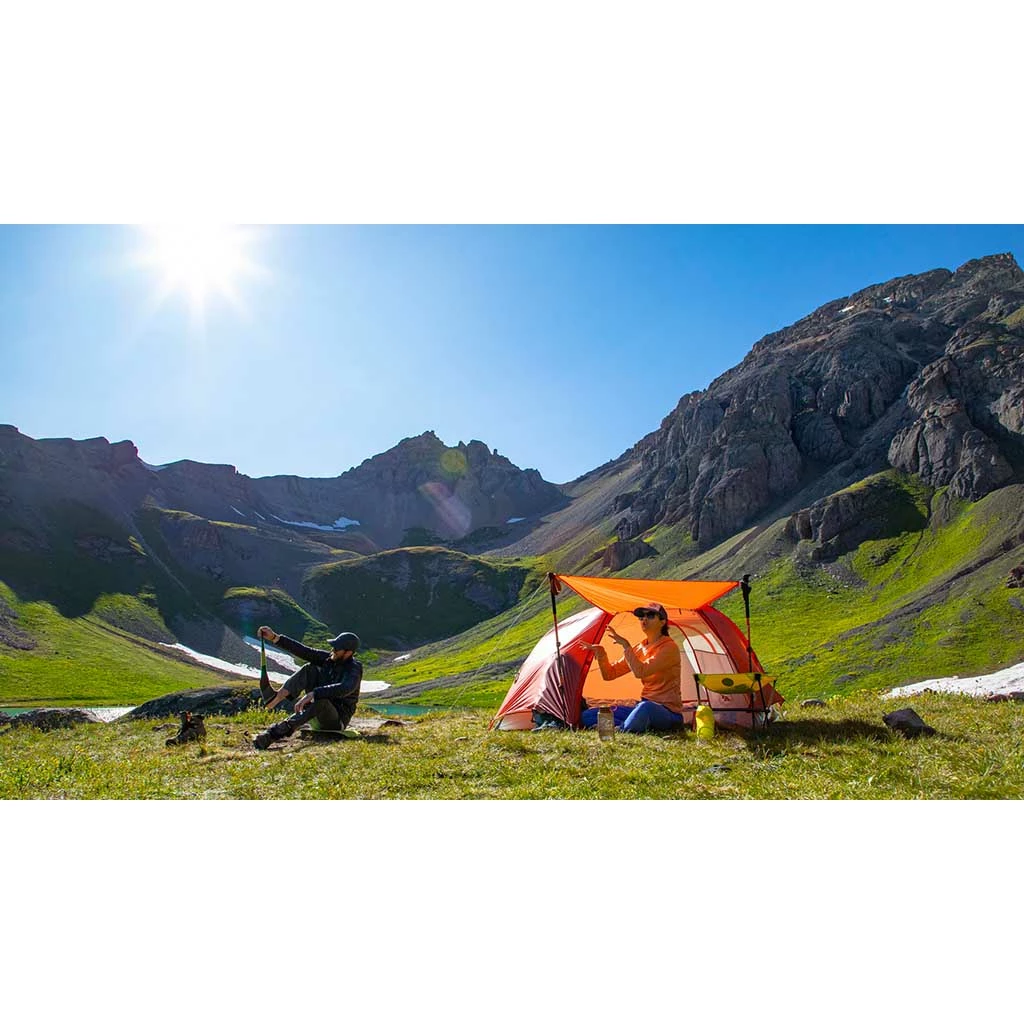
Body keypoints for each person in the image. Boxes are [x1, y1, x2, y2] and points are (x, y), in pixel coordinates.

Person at [578, 603, 684, 733]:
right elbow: (609, 674)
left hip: (668, 712)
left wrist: (626, 646)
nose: (644, 619)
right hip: (642, 705)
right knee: (588, 715)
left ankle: (622, 730)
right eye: (641, 617)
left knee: (645, 708)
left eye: (650, 615)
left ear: (663, 622)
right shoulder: (640, 647)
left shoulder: (669, 648)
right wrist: (601, 655)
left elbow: (640, 672)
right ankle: (631, 724)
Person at [252, 625, 363, 750]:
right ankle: (275, 698)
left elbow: (345, 688)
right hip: (316, 711)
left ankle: (273, 734)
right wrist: (274, 637)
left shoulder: (354, 668)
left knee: (321, 700)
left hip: (336, 721)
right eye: (334, 646)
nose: (333, 649)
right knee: (309, 668)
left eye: (337, 648)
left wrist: (314, 693)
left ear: (348, 652)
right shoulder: (329, 659)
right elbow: (304, 651)